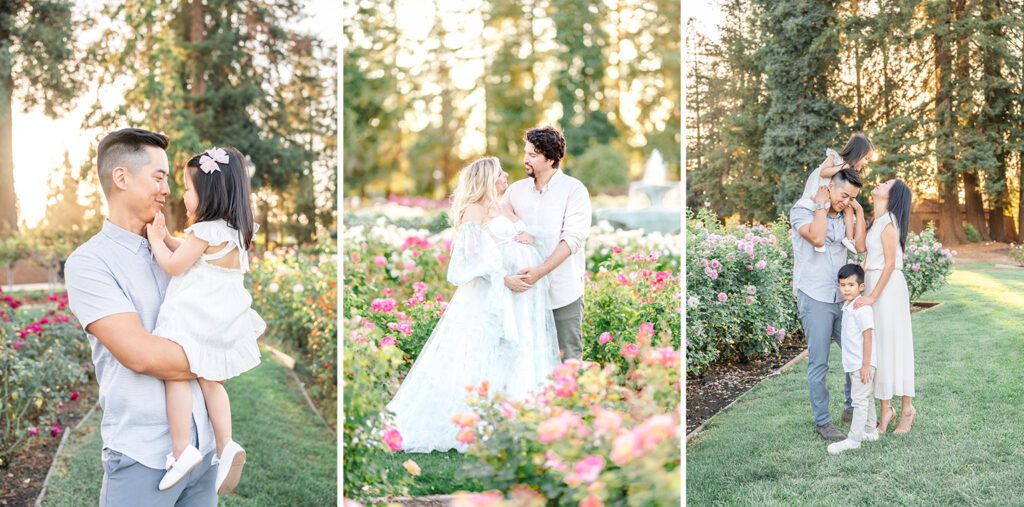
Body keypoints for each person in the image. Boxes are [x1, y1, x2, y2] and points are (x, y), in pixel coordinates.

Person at [66, 128, 217, 506]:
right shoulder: (90, 263)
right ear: (122, 178)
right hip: (143, 455)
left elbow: (219, 316)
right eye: (159, 176)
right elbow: (142, 355)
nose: (167, 189)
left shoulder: (175, 252)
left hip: (203, 447)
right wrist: (216, 356)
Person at [386, 157, 560, 452]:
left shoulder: (506, 206)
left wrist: (529, 237)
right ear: (488, 178)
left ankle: (512, 419)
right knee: (486, 351)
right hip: (491, 295)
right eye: (500, 171)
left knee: (514, 352)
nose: (506, 174)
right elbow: (469, 259)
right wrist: (505, 279)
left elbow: (524, 238)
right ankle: (476, 421)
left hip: (522, 298)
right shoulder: (474, 210)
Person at [146, 147, 265, 493]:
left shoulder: (204, 231)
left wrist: (155, 241)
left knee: (176, 376)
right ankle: (227, 444)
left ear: (208, 194)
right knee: (212, 382)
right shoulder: (234, 231)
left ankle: (182, 450)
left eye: (187, 187)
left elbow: (174, 265)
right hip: (222, 321)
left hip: (191, 318)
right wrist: (167, 236)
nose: (183, 194)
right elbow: (188, 252)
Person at [789, 167, 866, 442]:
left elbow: (859, 245)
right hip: (815, 296)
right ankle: (823, 422)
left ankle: (851, 408)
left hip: (842, 299)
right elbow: (818, 238)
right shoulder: (802, 210)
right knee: (819, 362)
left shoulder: (843, 213)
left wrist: (853, 211)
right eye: (844, 195)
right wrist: (821, 206)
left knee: (855, 354)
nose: (846, 201)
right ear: (830, 186)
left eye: (852, 198)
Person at [505, 126, 592, 360]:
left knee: (568, 360)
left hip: (562, 292)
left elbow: (572, 239)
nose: (526, 160)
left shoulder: (574, 190)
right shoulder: (514, 192)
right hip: (522, 294)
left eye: (533, 155)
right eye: (526, 153)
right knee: (525, 361)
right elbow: (496, 228)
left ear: (551, 158)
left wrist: (540, 271)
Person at [854, 178, 917, 435]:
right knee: (879, 348)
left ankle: (907, 409)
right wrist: (858, 211)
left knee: (894, 346)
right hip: (873, 282)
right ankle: (886, 410)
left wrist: (872, 297)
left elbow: (890, 264)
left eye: (887, 183)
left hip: (887, 288)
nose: (879, 183)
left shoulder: (890, 223)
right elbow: (861, 249)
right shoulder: (877, 221)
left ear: (893, 195)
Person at [827, 264, 879, 454]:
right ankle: (870, 430)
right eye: (843, 285)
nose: (846, 289)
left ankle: (854, 439)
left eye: (851, 284)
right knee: (867, 396)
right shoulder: (849, 307)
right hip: (855, 364)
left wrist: (865, 365)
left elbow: (868, 335)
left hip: (861, 364)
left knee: (859, 400)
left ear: (861, 287)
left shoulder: (862, 309)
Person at [795, 133, 875, 254]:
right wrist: (843, 166)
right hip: (820, 192)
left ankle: (849, 239)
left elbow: (861, 248)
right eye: (866, 158)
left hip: (832, 196)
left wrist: (858, 209)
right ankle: (820, 240)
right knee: (824, 209)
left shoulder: (850, 173)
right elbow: (824, 172)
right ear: (857, 153)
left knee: (848, 209)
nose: (866, 163)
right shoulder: (835, 158)